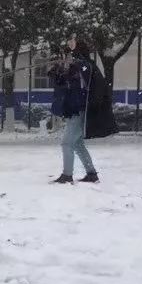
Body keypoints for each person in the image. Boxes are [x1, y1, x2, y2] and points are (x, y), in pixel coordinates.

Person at [49, 35, 100, 184]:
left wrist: (72, 65)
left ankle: (67, 175)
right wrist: (58, 70)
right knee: (77, 144)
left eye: (71, 53)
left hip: (79, 110)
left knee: (66, 143)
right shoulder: (74, 68)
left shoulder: (85, 66)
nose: (68, 57)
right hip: (73, 109)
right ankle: (91, 174)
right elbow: (62, 82)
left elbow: (80, 76)